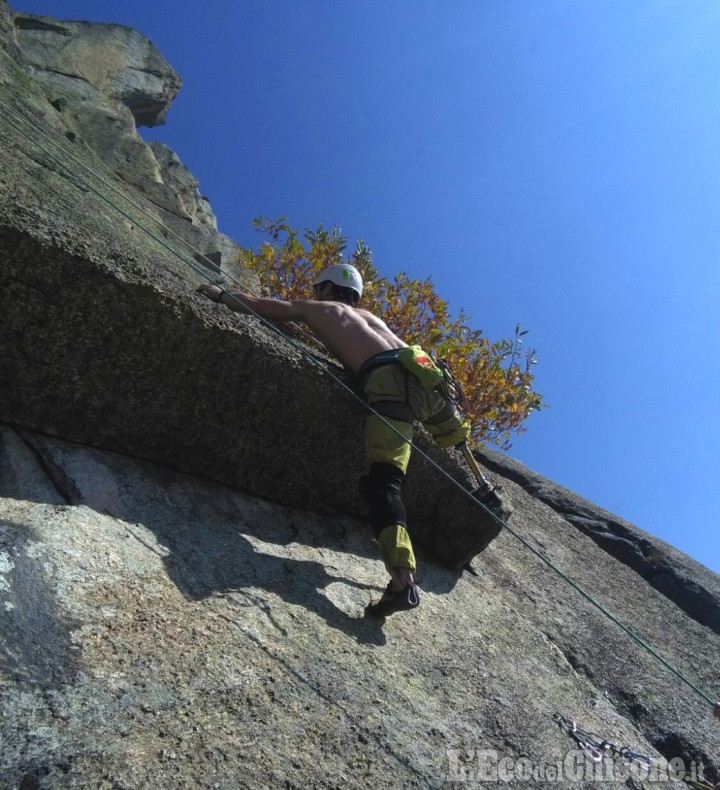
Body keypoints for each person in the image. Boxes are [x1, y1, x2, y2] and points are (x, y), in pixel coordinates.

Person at [197, 264, 506, 617]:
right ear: (356, 294)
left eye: (319, 289)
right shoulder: (375, 319)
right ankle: (483, 483)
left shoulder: (321, 309)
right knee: (453, 433)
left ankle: (403, 580)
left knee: (384, 484)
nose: (316, 295)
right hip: (427, 378)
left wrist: (221, 295)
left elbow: (267, 307)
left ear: (328, 288)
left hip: (389, 383)